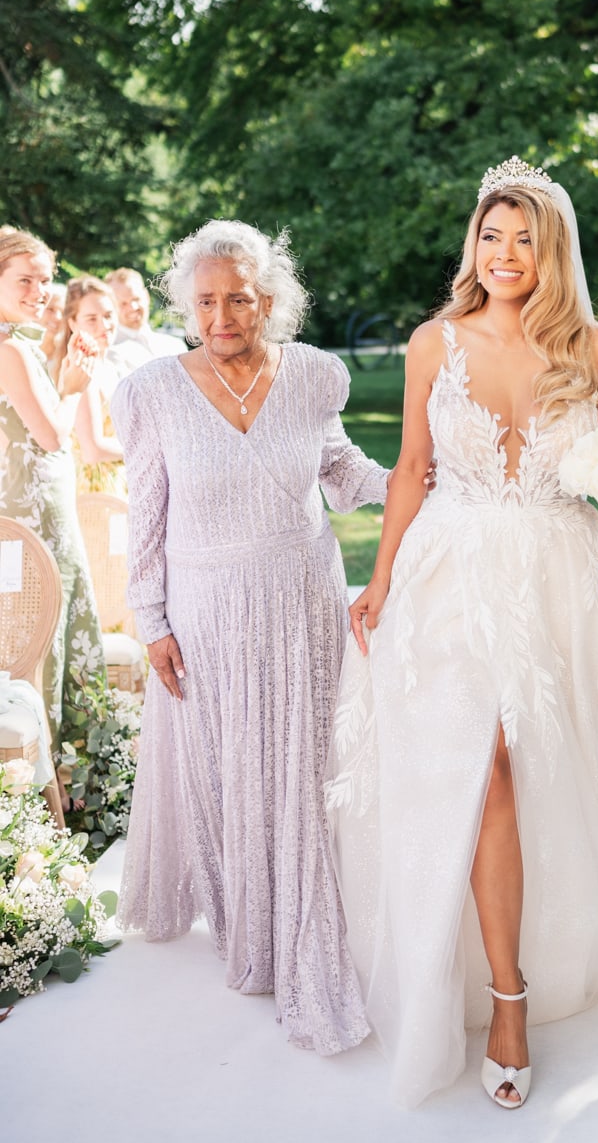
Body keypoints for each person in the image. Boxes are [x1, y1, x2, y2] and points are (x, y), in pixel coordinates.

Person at [326, 161, 598, 1111]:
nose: (505, 253)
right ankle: (503, 993)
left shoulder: (594, 348)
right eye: (491, 235)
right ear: (473, 244)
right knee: (487, 762)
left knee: (542, 758)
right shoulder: (433, 342)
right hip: (451, 572)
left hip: (560, 576)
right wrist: (380, 577)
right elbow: (411, 468)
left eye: (524, 237)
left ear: (552, 249)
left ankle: (533, 968)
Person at [111, 220, 389, 1055]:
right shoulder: (154, 391)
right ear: (187, 305)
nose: (222, 316)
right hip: (207, 609)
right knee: (224, 766)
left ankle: (304, 919)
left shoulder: (313, 375)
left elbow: (342, 472)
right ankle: (248, 925)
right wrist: (151, 620)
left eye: (238, 298)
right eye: (206, 301)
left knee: (301, 764)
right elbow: (145, 516)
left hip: (301, 596)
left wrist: (418, 478)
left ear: (268, 299)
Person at [0, 230, 105, 746]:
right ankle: (60, 761)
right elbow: (52, 437)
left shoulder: (18, 346)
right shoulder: (9, 351)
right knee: (44, 632)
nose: (40, 291)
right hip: (36, 521)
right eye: (25, 280)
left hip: (38, 514)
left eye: (45, 280)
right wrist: (74, 389)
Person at [55, 277, 127, 496]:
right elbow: (92, 450)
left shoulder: (109, 365)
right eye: (91, 319)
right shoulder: (81, 368)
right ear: (73, 323)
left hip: (117, 483)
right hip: (94, 491)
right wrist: (147, 448)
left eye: (108, 315)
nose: (104, 325)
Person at [105, 267, 184, 369]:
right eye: (123, 304)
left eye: (136, 299)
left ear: (146, 296)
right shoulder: (109, 354)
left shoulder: (175, 345)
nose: (133, 307)